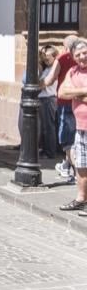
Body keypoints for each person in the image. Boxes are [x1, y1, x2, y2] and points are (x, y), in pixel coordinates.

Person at [58, 39, 87, 214]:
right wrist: (83, 91)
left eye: (85, 53)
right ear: (73, 57)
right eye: (78, 55)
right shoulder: (72, 71)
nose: (82, 57)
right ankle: (81, 199)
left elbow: (69, 93)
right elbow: (62, 92)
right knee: (81, 165)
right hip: (81, 126)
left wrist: (74, 93)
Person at [52, 36, 79, 181]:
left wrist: (39, 85)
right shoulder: (81, 59)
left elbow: (51, 78)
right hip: (80, 103)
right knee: (78, 138)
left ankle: (77, 172)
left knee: (68, 141)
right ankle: (66, 165)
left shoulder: (62, 58)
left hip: (65, 101)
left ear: (67, 47)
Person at [38, 45, 59, 159]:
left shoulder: (54, 69)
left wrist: (39, 83)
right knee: (44, 127)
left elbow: (42, 84)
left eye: (48, 56)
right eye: (44, 56)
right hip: (43, 98)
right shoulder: (46, 68)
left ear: (54, 57)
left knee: (48, 126)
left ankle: (50, 152)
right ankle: (45, 149)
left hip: (48, 98)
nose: (45, 58)